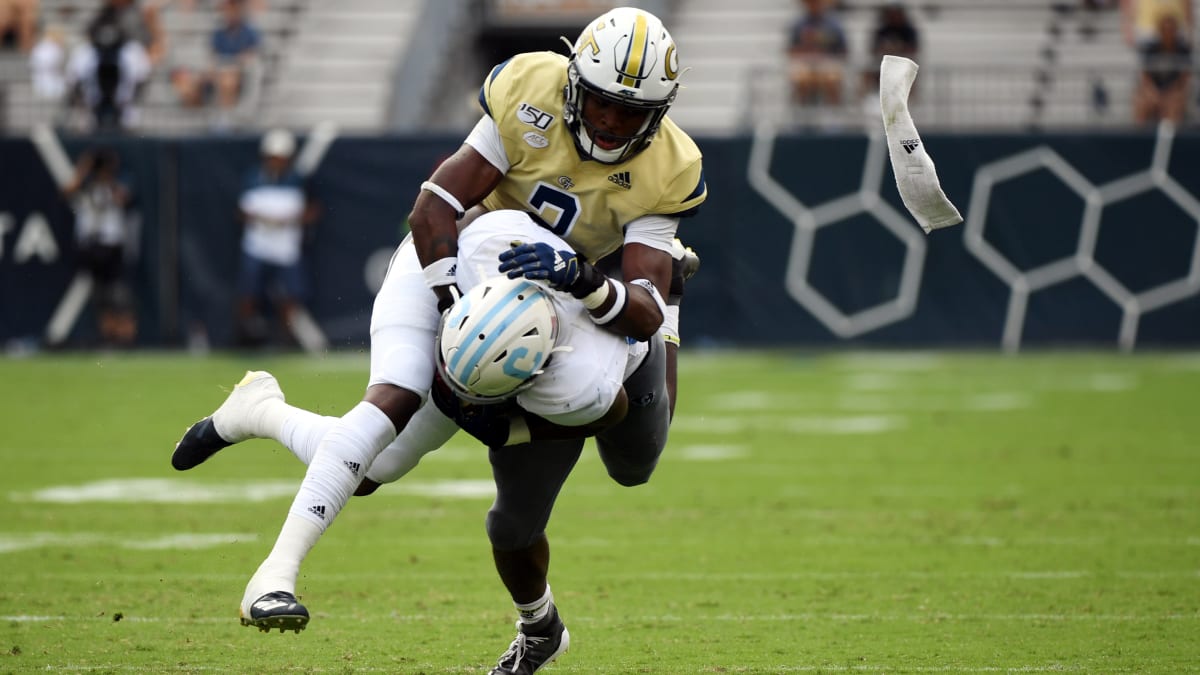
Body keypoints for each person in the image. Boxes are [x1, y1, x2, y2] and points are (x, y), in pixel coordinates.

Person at [173, 6, 704, 672]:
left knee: (626, 465)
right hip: (473, 264)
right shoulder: (527, 90)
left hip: (574, 311)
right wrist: (457, 307)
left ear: (657, 114)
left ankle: (260, 410)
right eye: (600, 104)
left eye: (631, 114)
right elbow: (435, 206)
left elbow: (641, 311)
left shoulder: (671, 164)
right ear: (574, 85)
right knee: (386, 411)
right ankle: (274, 573)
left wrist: (588, 285)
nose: (609, 124)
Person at [233, 128, 319, 347]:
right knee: (248, 293)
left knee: (291, 296)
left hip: (286, 249)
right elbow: (240, 212)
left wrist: (292, 220)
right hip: (257, 246)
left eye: (281, 158)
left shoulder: (299, 181)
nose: (277, 162)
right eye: (273, 157)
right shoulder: (252, 178)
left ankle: (286, 338)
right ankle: (244, 336)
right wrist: (261, 218)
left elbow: (313, 210)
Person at [61, 147, 139, 347]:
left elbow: (124, 199)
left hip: (111, 244)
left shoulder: (119, 182)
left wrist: (108, 178)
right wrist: (84, 169)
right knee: (99, 295)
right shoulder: (86, 185)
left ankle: (126, 336)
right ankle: (108, 336)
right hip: (90, 244)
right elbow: (66, 191)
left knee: (118, 292)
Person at [171, 0, 261, 129]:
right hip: (221, 70)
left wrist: (232, 65)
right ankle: (199, 113)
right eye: (226, 10)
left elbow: (250, 57)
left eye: (231, 9)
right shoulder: (219, 33)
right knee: (189, 83)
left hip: (240, 73)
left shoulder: (249, 32)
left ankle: (225, 117)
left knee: (227, 80)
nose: (228, 14)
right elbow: (213, 58)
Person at [1134, 13, 1192, 124]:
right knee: (1142, 103)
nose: (1168, 33)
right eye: (1165, 30)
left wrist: (1170, 94)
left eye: (1171, 30)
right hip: (1154, 90)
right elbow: (1145, 76)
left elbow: (1184, 78)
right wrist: (1153, 93)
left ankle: (1169, 139)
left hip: (1174, 91)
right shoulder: (1151, 49)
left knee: (1174, 104)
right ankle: (1140, 138)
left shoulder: (1183, 50)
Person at [786, 0, 848, 105]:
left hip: (828, 63)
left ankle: (834, 112)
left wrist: (825, 54)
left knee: (831, 78)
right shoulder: (798, 25)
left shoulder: (834, 25)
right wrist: (807, 50)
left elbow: (843, 50)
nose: (813, 5)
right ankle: (802, 112)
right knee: (801, 78)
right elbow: (791, 51)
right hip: (805, 63)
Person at [860, 1, 919, 102]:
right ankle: (865, 100)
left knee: (910, 73)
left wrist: (897, 49)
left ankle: (909, 100)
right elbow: (873, 49)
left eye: (896, 14)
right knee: (867, 72)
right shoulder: (882, 30)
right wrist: (886, 50)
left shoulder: (909, 30)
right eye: (891, 14)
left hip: (903, 63)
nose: (893, 17)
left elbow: (913, 49)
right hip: (882, 62)